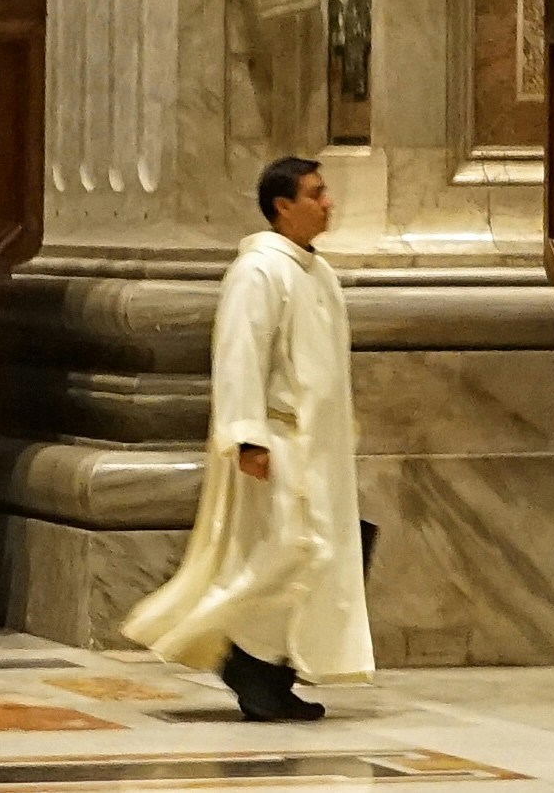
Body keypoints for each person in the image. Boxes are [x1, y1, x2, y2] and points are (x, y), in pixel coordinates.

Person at [123, 158, 371, 721]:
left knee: (317, 558)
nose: (328, 202)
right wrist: (247, 438)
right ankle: (238, 659)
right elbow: (239, 355)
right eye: (316, 193)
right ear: (283, 206)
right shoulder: (259, 271)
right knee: (282, 557)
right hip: (278, 447)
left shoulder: (316, 272)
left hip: (317, 450)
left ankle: (273, 676)